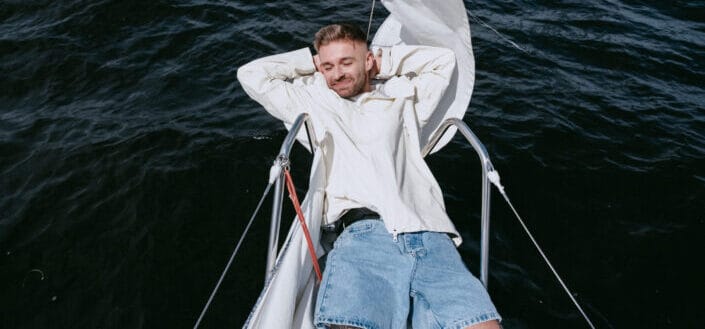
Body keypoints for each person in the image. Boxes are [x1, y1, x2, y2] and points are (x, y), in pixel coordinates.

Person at [238, 23, 500, 329]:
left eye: (346, 62)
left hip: (429, 234)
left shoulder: (402, 102)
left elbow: (444, 61)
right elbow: (251, 75)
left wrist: (382, 62)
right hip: (364, 235)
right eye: (328, 66)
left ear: (367, 61)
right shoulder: (316, 101)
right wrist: (311, 61)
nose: (337, 74)